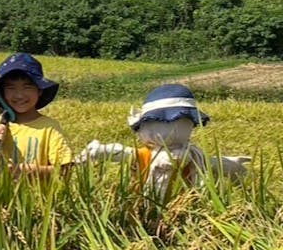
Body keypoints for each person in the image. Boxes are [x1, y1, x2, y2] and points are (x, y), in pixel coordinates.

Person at [76, 84, 251, 201]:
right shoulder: (146, 155)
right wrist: (98, 151)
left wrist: (233, 165)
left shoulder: (192, 157)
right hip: (145, 204)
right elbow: (121, 153)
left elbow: (214, 164)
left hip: (186, 204)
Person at [0, 53, 72, 177]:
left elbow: (65, 171)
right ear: (2, 93)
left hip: (36, 196)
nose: (19, 95)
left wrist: (27, 170)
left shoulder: (49, 128)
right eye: (11, 88)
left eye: (27, 87)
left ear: (40, 91)